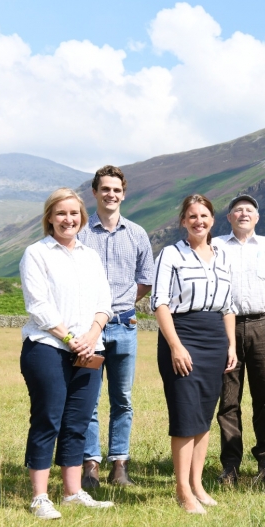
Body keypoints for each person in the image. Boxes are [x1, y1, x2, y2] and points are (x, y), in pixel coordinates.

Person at [20, 188, 115, 519]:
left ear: (82, 218)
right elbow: (38, 305)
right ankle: (40, 497)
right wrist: (71, 337)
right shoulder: (36, 253)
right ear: (49, 217)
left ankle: (73, 493)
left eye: (74, 213)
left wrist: (91, 335)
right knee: (48, 419)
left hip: (90, 349)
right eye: (61, 213)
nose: (68, 219)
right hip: (48, 348)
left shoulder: (90, 256)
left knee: (77, 423)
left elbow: (105, 303)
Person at [150, 194, 237, 514]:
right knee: (186, 417)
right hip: (182, 336)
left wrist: (231, 346)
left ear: (213, 220)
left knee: (203, 418)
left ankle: (198, 484)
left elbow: (229, 307)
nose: (199, 221)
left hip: (215, 338)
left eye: (204, 215)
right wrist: (175, 346)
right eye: (192, 216)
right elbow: (158, 303)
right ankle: (183, 490)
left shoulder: (224, 257)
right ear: (183, 221)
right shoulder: (171, 254)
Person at [77, 165, 154, 489]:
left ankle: (119, 464)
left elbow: (146, 279)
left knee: (122, 398)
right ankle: (90, 465)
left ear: (124, 194)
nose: (111, 194)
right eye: (105, 189)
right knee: (89, 398)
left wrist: (119, 304)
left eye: (116, 190)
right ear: (94, 192)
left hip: (124, 326)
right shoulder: (80, 233)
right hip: (88, 330)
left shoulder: (137, 234)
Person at [213, 194, 265, 485]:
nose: (243, 213)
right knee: (228, 399)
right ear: (229, 217)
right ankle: (230, 465)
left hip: (264, 325)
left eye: (249, 210)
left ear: (257, 218)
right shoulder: (216, 246)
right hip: (226, 329)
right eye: (237, 210)